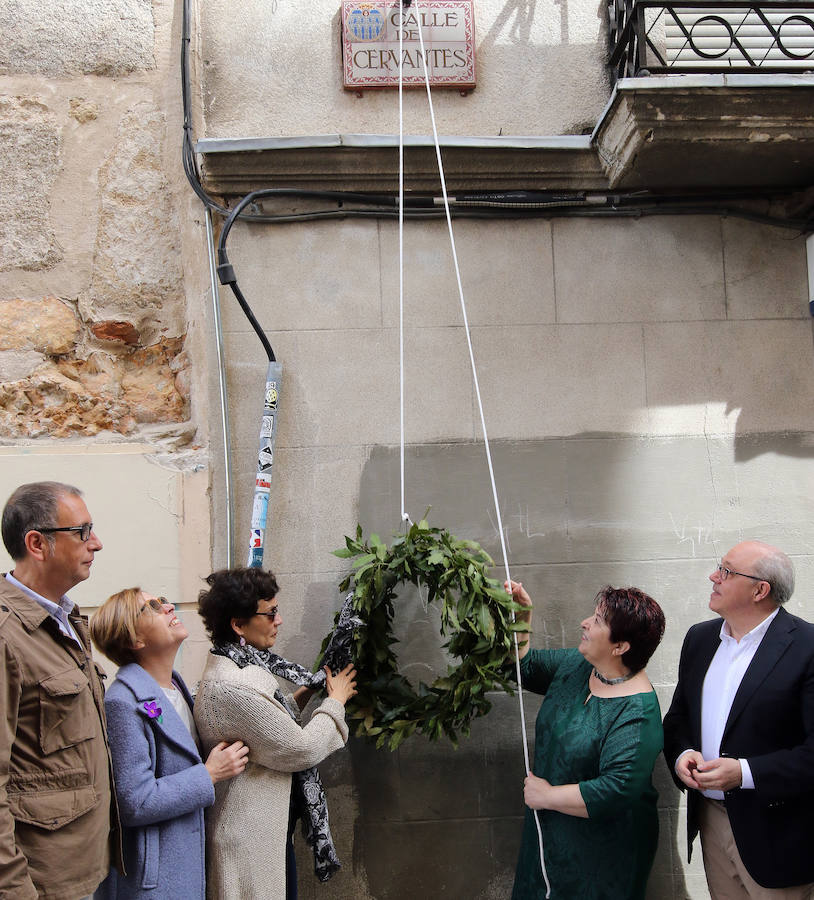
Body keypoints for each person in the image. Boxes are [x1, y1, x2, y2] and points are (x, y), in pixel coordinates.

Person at [193, 567, 357, 900]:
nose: (278, 621)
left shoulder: (237, 664)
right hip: (248, 839)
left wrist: (308, 691)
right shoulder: (234, 685)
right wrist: (336, 701)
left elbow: (265, 726)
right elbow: (301, 749)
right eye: (270, 614)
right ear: (238, 625)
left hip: (265, 832)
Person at [663, 541, 814, 898]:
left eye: (727, 571)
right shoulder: (700, 639)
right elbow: (678, 719)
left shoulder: (807, 646)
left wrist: (744, 773)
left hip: (777, 832)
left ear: (760, 590)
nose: (713, 576)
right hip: (711, 818)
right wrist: (682, 754)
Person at [507, 580, 665, 900]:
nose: (585, 622)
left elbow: (615, 791)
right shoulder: (579, 666)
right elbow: (524, 667)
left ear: (619, 647)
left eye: (598, 620)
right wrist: (522, 618)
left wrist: (547, 795)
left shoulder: (637, 714)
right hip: (551, 832)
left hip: (603, 853)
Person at [0, 481, 121, 899]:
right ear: (37, 544)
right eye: (82, 531)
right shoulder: (6, 635)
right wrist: (15, 890)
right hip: (39, 883)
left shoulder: (63, 619)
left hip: (82, 869)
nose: (96, 542)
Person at [90, 587, 250, 899]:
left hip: (186, 866)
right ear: (135, 640)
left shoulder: (176, 687)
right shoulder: (123, 702)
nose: (168, 607)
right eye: (152, 606)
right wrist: (209, 774)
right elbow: (135, 801)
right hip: (154, 881)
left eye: (163, 600)